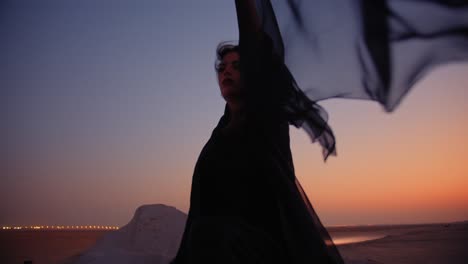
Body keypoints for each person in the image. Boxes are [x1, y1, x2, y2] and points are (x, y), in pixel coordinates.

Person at [170, 0, 343, 263]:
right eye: (223, 67)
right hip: (215, 250)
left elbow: (256, 41)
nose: (226, 70)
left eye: (237, 65)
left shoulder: (265, 117)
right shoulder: (219, 134)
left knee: (209, 233)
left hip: (262, 251)